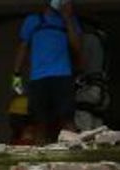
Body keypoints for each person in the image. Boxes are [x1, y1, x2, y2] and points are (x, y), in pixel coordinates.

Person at [13, 0, 82, 142]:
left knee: (67, 120)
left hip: (63, 77)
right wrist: (16, 74)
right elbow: (23, 47)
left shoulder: (70, 20)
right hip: (38, 79)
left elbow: (77, 47)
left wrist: (67, 19)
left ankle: (75, 151)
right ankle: (40, 154)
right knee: (39, 123)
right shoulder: (32, 20)